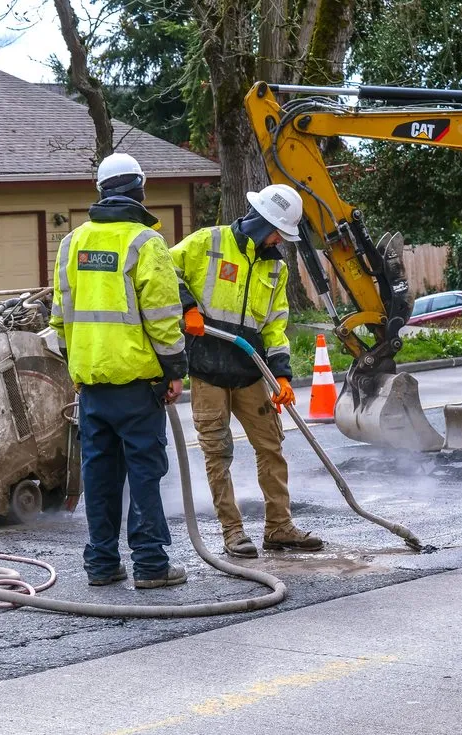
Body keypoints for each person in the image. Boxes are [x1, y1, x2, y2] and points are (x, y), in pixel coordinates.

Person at [50, 152, 189, 589]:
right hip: (137, 384)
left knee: (99, 476)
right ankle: (150, 563)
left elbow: (60, 317)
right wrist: (175, 370)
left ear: (101, 191)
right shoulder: (145, 242)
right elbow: (163, 317)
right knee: (144, 472)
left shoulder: (72, 243)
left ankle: (102, 563)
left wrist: (77, 365)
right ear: (140, 189)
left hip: (91, 385)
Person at [171, 184, 323, 558]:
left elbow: (275, 324)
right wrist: (188, 306)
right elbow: (164, 269)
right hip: (208, 367)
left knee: (271, 445)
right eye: (278, 232)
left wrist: (281, 375)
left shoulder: (276, 267)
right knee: (217, 451)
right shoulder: (208, 241)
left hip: (250, 369)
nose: (279, 240)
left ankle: (279, 527)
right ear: (262, 222)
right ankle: (233, 531)